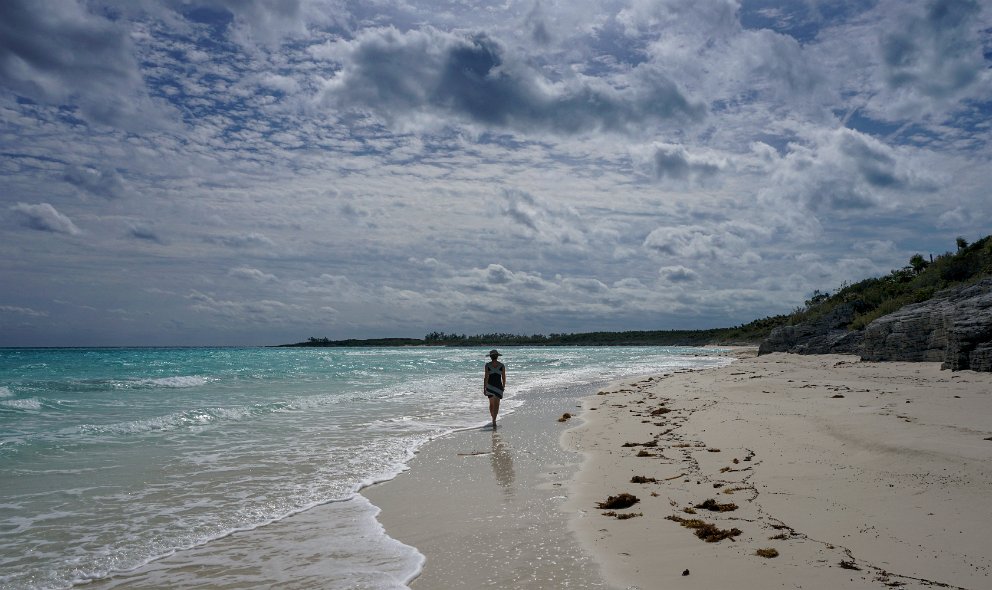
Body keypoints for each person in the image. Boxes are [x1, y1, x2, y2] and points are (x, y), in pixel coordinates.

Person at [483, 349, 506, 429]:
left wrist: (484, 388)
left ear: (490, 357)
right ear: (497, 357)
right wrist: (503, 386)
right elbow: (503, 377)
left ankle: (493, 418)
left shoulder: (487, 365)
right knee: (497, 405)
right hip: (499, 387)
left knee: (491, 404)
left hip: (490, 387)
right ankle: (494, 420)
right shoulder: (502, 365)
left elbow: (486, 377)